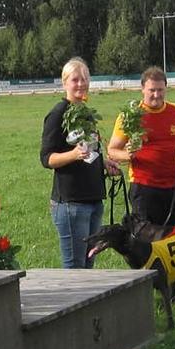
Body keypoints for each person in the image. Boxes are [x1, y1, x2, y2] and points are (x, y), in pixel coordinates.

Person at [40, 57, 119, 268]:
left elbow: (89, 150)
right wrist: (73, 155)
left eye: (84, 79)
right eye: (75, 79)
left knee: (88, 264)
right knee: (75, 268)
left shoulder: (86, 113)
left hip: (94, 199)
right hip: (71, 203)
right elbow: (46, 158)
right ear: (64, 82)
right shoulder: (58, 114)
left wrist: (103, 164)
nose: (81, 84)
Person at [107, 66, 175, 226]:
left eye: (160, 90)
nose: (156, 95)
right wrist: (128, 155)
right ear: (142, 89)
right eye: (152, 90)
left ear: (166, 88)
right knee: (149, 240)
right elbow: (112, 150)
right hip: (144, 186)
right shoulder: (130, 115)